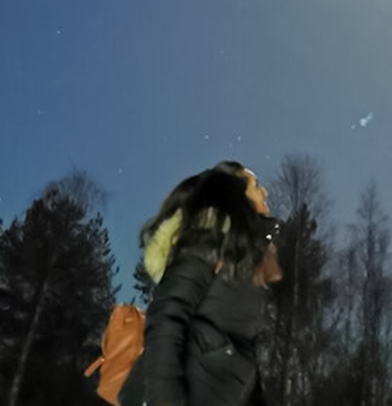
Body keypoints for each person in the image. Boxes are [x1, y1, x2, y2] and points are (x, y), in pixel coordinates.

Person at [120, 161, 281, 406]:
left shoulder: (241, 254)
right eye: (255, 185)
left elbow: (237, 348)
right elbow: (167, 315)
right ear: (235, 192)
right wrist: (165, 399)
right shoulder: (209, 237)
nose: (264, 192)